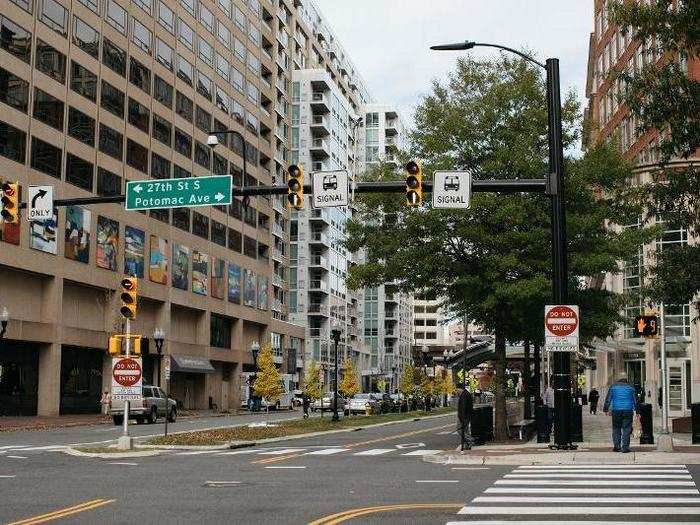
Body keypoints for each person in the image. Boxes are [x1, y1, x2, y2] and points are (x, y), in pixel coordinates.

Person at [603, 373, 638, 453]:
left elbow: (608, 399)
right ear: (626, 378)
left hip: (616, 410)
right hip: (628, 409)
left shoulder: (613, 386)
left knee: (616, 428)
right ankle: (625, 447)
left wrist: (606, 409)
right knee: (626, 429)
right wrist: (637, 411)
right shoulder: (631, 387)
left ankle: (617, 446)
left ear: (618, 378)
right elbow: (635, 400)